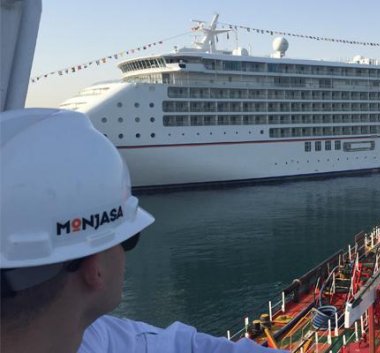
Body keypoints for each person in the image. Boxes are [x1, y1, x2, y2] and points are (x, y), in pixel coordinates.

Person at [0, 108, 286, 353]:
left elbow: (172, 345)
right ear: (94, 267)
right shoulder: (86, 338)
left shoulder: (82, 335)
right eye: (129, 239)